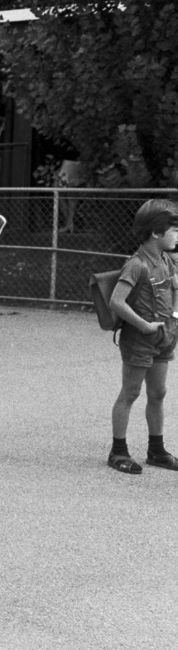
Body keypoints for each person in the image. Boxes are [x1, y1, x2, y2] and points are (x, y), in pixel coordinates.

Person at [106, 200, 178, 474]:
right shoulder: (137, 265)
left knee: (158, 393)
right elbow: (116, 301)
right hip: (140, 338)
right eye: (174, 230)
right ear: (156, 233)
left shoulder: (167, 261)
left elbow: (174, 290)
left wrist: (174, 314)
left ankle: (156, 451)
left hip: (164, 336)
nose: (177, 235)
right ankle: (118, 451)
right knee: (131, 392)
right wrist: (144, 325)